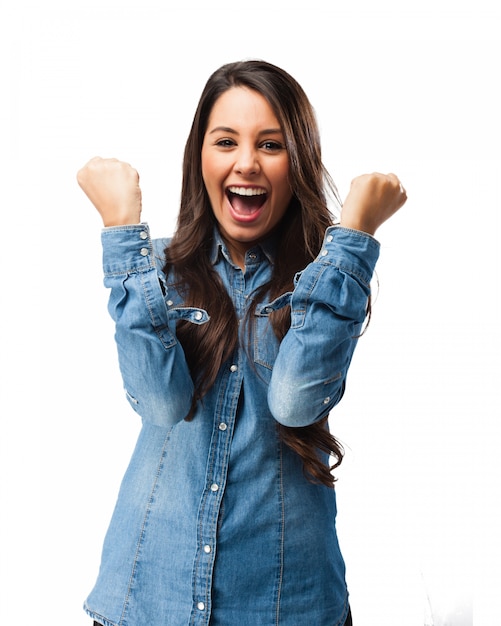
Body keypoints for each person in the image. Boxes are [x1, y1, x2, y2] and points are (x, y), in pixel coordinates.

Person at [77, 59, 406, 626]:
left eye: (271, 144)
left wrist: (353, 238)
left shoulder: (321, 284)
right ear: (199, 157)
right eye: (225, 141)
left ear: (296, 160)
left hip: (286, 606)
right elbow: (160, 403)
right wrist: (120, 232)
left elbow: (295, 401)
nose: (246, 162)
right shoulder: (152, 270)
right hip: (151, 597)